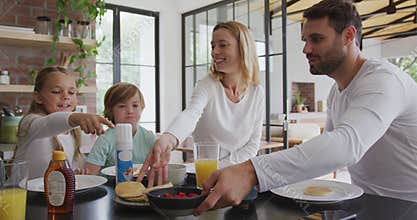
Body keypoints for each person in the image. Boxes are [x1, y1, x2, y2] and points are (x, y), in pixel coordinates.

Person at [192, 0, 417, 215]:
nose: (306, 49)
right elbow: (326, 151)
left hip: (407, 206)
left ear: (349, 36)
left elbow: (345, 147)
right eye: (305, 40)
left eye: (316, 39)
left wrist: (251, 171)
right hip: (363, 203)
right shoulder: (336, 91)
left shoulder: (383, 81)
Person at [137, 21, 265, 187]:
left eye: (223, 45)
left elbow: (253, 145)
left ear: (243, 49)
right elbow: (191, 114)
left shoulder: (257, 93)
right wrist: (169, 138)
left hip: (238, 179)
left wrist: (223, 168)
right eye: (213, 46)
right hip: (205, 179)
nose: (214, 52)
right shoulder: (207, 85)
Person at [15, 67, 114, 179]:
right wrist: (76, 118)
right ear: (38, 97)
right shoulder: (30, 123)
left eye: (71, 92)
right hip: (26, 195)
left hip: (54, 195)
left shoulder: (75, 132)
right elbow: (49, 123)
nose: (66, 96)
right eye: (56, 91)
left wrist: (78, 174)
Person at [84, 83, 155, 174]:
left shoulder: (149, 137)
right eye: (122, 106)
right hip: (111, 186)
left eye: (135, 105)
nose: (130, 111)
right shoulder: (105, 139)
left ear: (142, 107)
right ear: (111, 110)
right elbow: (90, 173)